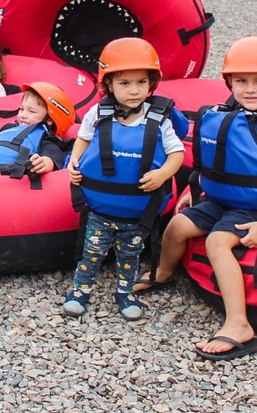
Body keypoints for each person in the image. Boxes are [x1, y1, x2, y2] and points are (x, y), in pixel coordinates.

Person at [134, 37, 257, 361]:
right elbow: (215, 165)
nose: (250, 89)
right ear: (229, 82)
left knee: (217, 242)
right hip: (220, 200)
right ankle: (163, 273)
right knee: (177, 226)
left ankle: (239, 325)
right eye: (241, 80)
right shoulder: (225, 116)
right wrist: (196, 196)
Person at [64, 38, 185, 321]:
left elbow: (177, 153)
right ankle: (81, 290)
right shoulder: (99, 113)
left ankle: (125, 292)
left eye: (141, 83)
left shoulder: (159, 119)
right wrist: (73, 162)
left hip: (137, 211)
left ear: (151, 83)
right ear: (108, 85)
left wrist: (163, 174)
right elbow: (82, 139)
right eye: (125, 83)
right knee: (91, 251)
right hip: (100, 209)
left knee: (130, 255)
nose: (134, 91)